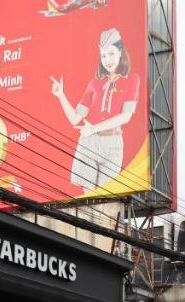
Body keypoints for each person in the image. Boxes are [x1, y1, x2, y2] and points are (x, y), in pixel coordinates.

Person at [50, 28, 141, 192]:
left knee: (106, 199)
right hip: (89, 143)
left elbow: (126, 116)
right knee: (89, 199)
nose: (108, 60)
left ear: (120, 52)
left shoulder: (132, 80)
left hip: (113, 143)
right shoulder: (95, 83)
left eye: (111, 53)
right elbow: (76, 119)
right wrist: (61, 95)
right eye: (104, 55)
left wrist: (94, 127)